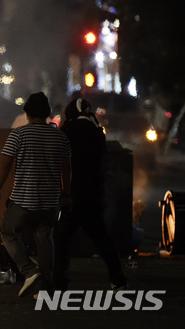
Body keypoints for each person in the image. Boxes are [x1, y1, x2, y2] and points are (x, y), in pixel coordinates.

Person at [0, 92, 72, 297]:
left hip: (23, 201)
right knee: (45, 239)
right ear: (47, 114)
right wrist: (66, 195)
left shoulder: (18, 134)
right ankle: (45, 287)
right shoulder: (60, 137)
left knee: (7, 231)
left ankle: (30, 271)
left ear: (27, 113)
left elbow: (4, 166)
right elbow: (66, 169)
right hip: (50, 202)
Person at [53, 97, 127, 291]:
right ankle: (118, 279)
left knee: (61, 239)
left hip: (74, 195)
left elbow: (64, 164)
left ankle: (59, 283)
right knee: (101, 237)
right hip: (93, 195)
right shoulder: (96, 132)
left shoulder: (68, 131)